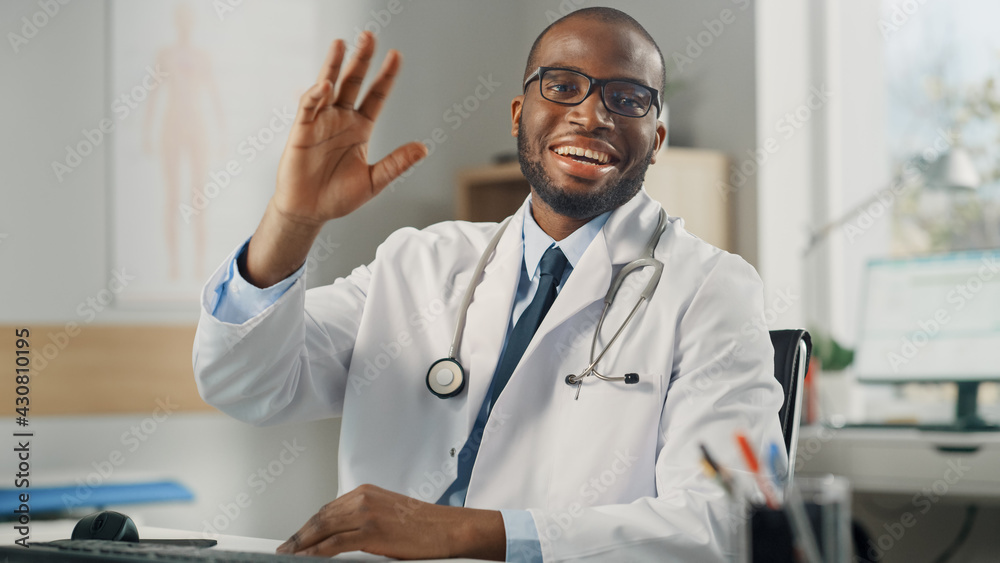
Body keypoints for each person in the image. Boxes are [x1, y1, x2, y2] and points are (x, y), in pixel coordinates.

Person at [193, 7, 785, 562]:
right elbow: (247, 385)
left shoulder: (710, 290)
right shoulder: (420, 261)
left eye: (627, 99)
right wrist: (294, 222)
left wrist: (470, 532)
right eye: (561, 85)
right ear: (517, 115)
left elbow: (727, 522)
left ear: (656, 141)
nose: (591, 114)